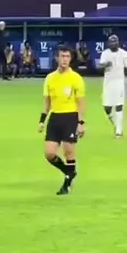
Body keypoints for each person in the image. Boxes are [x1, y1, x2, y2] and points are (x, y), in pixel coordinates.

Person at [38, 46, 85, 196]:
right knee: (49, 153)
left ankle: (66, 185)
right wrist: (42, 120)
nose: (64, 59)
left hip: (70, 117)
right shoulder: (50, 78)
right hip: (55, 117)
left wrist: (81, 123)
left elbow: (81, 102)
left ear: (70, 59)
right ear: (57, 58)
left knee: (69, 152)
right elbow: (47, 103)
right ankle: (69, 172)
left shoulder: (75, 78)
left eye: (67, 56)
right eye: (62, 56)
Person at [98, 34, 127, 138]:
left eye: (115, 42)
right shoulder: (105, 53)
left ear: (118, 42)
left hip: (119, 82)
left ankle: (119, 131)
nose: (114, 44)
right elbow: (100, 66)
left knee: (119, 105)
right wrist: (106, 64)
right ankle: (115, 123)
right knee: (107, 107)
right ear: (108, 43)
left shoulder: (124, 54)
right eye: (112, 42)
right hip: (108, 83)